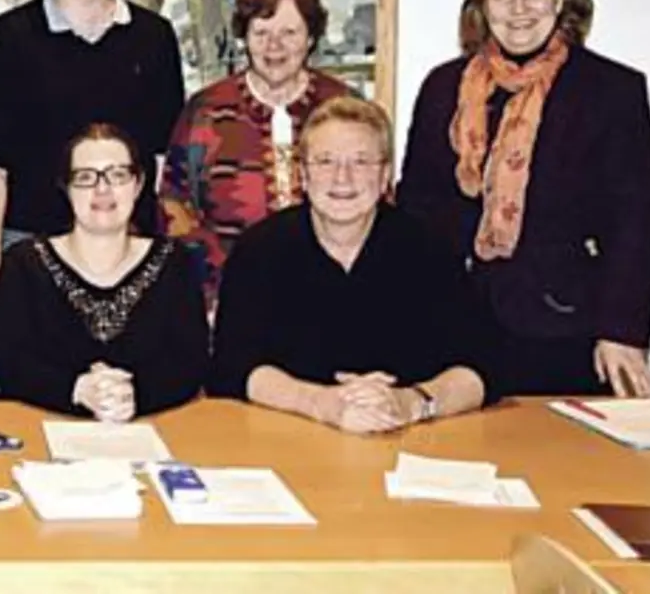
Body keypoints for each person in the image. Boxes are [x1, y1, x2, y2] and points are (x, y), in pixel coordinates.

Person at [398, 0, 650, 397]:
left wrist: (623, 332)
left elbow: (633, 223)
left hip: (564, 329)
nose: (519, 10)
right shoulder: (443, 88)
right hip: (454, 324)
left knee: (565, 466)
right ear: (482, 9)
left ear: (561, 0)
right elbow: (417, 207)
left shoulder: (610, 90)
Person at [209, 98, 496, 434]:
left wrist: (412, 403)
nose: (342, 178)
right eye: (325, 161)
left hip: (413, 440)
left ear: (385, 174)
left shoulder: (430, 248)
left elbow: (482, 366)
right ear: (303, 173)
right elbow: (232, 367)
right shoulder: (260, 250)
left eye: (361, 162)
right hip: (289, 434)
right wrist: (320, 403)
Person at [0, 0, 185, 299]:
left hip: (129, 255)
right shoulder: (10, 37)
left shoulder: (154, 38)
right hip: (31, 256)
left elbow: (163, 167)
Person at [160, 0, 352, 315]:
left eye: (289, 33)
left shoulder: (343, 107)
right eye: (261, 33)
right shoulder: (206, 111)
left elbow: (372, 198)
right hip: (228, 301)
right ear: (245, 38)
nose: (273, 46)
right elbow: (175, 205)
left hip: (335, 298)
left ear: (310, 38)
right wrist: (217, 283)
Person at [0, 124, 208, 420]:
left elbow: (189, 363)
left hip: (154, 436)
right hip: (39, 434)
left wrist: (134, 396)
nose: (102, 189)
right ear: (66, 187)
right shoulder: (24, 264)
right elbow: (10, 363)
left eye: (117, 175)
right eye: (85, 177)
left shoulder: (173, 263)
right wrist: (77, 390)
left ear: (139, 183)